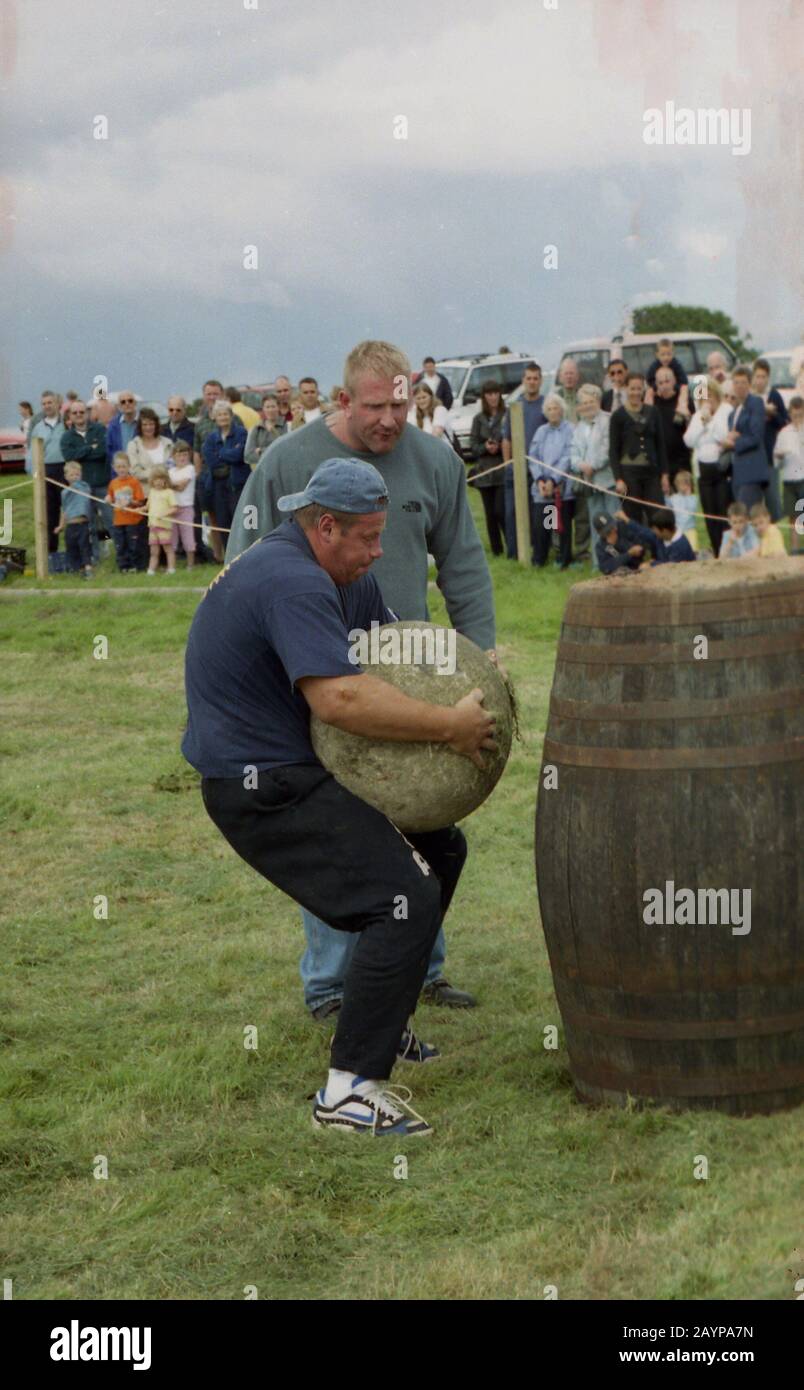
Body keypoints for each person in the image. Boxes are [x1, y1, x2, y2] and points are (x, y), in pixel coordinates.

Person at [184, 459, 496, 1136]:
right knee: (401, 898)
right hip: (259, 784)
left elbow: (393, 659)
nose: (380, 552)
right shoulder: (290, 578)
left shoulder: (342, 573)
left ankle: (383, 1025)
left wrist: (476, 673)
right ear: (325, 526)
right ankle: (348, 1096)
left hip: (300, 766)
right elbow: (342, 697)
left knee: (441, 848)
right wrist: (450, 726)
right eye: (369, 537)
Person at [226, 339, 497, 1020]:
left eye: (401, 405)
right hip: (319, 670)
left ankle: (419, 968)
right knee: (343, 821)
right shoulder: (290, 458)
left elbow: (463, 562)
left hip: (416, 674)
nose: (389, 420)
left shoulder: (434, 461)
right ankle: (331, 985)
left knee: (423, 812)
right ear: (343, 400)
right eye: (375, 406)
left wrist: (482, 651)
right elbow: (245, 556)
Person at [609, 372, 668, 526]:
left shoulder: (653, 412)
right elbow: (613, 451)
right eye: (632, 388)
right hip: (629, 475)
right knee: (632, 518)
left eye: (638, 389)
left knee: (658, 515)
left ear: (643, 390)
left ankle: (659, 549)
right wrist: (618, 479)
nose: (635, 392)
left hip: (651, 473)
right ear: (625, 389)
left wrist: (665, 474)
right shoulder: (618, 416)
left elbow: (660, 445)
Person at [501, 362, 545, 559]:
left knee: (544, 512)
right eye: (528, 378)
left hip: (540, 469)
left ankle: (544, 548)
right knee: (512, 512)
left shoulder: (546, 405)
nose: (532, 382)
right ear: (523, 381)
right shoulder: (515, 405)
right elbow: (507, 438)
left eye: (535, 378)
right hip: (516, 467)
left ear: (540, 381)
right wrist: (508, 464)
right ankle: (514, 553)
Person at [683, 376, 731, 556]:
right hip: (703, 472)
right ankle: (717, 551)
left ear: (717, 395)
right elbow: (689, 440)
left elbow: (723, 437)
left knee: (722, 512)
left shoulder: (726, 411)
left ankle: (727, 552)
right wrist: (702, 423)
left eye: (710, 396)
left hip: (722, 470)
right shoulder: (698, 415)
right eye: (703, 397)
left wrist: (710, 421)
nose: (707, 401)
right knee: (709, 514)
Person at [61, 400, 110, 563]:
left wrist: (81, 454)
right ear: (70, 416)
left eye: (81, 412)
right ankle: (95, 556)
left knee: (109, 521)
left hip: (102, 483)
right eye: (75, 413)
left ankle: (113, 551)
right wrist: (90, 448)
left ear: (87, 413)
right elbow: (69, 457)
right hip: (82, 489)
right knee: (89, 525)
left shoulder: (99, 429)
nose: (78, 415)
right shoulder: (67, 436)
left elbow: (103, 452)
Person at [529, 395, 575, 569]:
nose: (553, 412)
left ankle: (563, 559)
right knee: (546, 523)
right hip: (543, 487)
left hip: (562, 487)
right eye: (549, 409)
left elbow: (567, 457)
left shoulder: (569, 429)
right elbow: (533, 456)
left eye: (556, 408)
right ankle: (540, 559)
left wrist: (553, 480)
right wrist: (541, 479)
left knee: (562, 525)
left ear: (562, 410)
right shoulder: (541, 431)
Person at [468, 382, 506, 556]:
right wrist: (485, 446)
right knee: (490, 514)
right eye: (489, 394)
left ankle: (512, 544)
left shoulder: (506, 415)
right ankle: (497, 550)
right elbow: (473, 446)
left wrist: (499, 447)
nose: (492, 397)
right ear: (484, 397)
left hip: (502, 467)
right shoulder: (478, 419)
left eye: (495, 393)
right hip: (484, 470)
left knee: (501, 510)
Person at [724, 366, 770, 509]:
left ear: (750, 385)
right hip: (737, 472)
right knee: (741, 515)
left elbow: (756, 436)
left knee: (749, 513)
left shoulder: (755, 403)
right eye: (736, 382)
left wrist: (734, 442)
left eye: (743, 382)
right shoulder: (733, 412)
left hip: (752, 471)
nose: (739, 386)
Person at [27, 391, 66, 554]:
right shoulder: (37, 428)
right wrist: (33, 473)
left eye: (50, 403)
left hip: (65, 470)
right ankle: (52, 552)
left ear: (57, 404)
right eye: (44, 404)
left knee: (72, 510)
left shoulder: (66, 424)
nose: (47, 406)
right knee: (50, 513)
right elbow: (30, 453)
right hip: (46, 471)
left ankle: (78, 552)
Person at [201, 400, 248, 535]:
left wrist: (220, 453)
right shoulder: (211, 438)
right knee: (223, 522)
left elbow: (239, 455)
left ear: (231, 415)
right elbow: (211, 461)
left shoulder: (241, 432)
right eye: (219, 414)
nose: (223, 417)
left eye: (225, 414)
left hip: (237, 484)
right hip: (218, 486)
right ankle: (227, 555)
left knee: (241, 521)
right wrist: (230, 453)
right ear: (214, 417)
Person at [193, 379, 227, 561]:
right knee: (213, 518)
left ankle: (232, 553)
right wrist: (198, 474)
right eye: (209, 393)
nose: (212, 397)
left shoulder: (231, 417)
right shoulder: (200, 423)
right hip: (208, 477)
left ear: (221, 395)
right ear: (204, 396)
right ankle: (218, 556)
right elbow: (197, 451)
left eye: (215, 393)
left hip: (228, 475)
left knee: (228, 517)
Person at [751, 358, 788, 520]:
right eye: (757, 376)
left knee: (773, 500)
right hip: (752, 456)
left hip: (770, 454)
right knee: (755, 503)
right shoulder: (749, 397)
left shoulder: (774, 395)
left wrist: (772, 415)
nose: (760, 380)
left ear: (768, 377)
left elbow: (784, 422)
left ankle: (774, 535)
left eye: (763, 377)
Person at [105, 451, 147, 572]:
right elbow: (111, 497)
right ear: (114, 468)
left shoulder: (134, 482)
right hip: (118, 520)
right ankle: (123, 566)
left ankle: (134, 565)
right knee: (120, 544)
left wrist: (129, 502)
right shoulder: (113, 483)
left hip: (132, 520)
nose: (121, 469)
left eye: (124, 466)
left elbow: (140, 502)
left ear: (129, 466)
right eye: (118, 467)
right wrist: (108, 498)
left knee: (132, 544)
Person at [774, 394, 804, 554]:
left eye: (800, 415)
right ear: (789, 414)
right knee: (793, 517)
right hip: (789, 480)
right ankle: (794, 549)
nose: (797, 418)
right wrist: (779, 457)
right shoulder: (784, 433)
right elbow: (777, 460)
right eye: (794, 415)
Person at [652, 366, 691, 486]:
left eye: (667, 381)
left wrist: (687, 417)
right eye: (661, 382)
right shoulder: (653, 403)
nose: (664, 385)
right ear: (656, 384)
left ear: (674, 381)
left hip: (682, 461)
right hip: (662, 463)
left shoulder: (684, 400)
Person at [54, 461, 93, 578]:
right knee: (71, 548)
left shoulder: (84, 486)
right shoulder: (64, 493)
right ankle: (78, 570)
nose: (75, 477)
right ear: (66, 477)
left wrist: (76, 485)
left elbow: (87, 492)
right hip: (70, 526)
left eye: (77, 475)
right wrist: (61, 525)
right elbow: (63, 510)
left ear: (81, 475)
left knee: (84, 547)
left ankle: (88, 569)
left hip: (82, 524)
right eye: (72, 475)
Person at [593, 509, 656, 575]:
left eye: (612, 526)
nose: (612, 530)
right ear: (599, 533)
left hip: (637, 567)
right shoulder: (600, 546)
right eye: (607, 531)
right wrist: (628, 554)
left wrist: (619, 544)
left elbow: (641, 547)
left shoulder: (624, 527)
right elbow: (605, 567)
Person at [127, 407, 172, 494]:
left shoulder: (168, 443)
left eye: (151, 424)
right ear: (140, 426)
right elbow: (136, 473)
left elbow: (174, 468)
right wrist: (160, 472)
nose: (148, 427)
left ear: (156, 425)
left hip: (167, 494)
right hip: (144, 495)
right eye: (145, 424)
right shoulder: (133, 445)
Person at [169, 440, 196, 567]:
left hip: (186, 508)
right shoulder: (171, 471)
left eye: (185, 455)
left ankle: (190, 565)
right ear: (173, 456)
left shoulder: (190, 469)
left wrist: (169, 484)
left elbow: (181, 487)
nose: (182, 458)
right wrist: (172, 485)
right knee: (172, 538)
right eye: (179, 455)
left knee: (188, 537)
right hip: (172, 508)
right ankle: (172, 565)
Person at [145, 466, 178, 574]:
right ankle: (151, 570)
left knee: (167, 548)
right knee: (154, 550)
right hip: (153, 526)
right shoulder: (152, 492)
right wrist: (138, 509)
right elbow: (147, 507)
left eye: (161, 479)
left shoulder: (169, 492)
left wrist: (163, 514)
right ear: (152, 481)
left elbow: (174, 508)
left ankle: (171, 569)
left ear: (165, 480)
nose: (158, 482)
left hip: (164, 526)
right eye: (155, 479)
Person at [645, 338, 690, 412]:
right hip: (658, 388)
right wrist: (657, 387)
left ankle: (682, 408)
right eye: (663, 355)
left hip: (674, 388)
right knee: (649, 391)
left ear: (673, 353)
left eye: (669, 354)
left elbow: (684, 381)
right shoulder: (655, 365)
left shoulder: (676, 364)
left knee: (684, 389)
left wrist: (675, 388)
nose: (666, 358)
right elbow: (649, 379)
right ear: (657, 355)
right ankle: (648, 410)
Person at [245, 394, 285, 467]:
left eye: (273, 406)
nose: (270, 410)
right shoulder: (256, 429)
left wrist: (261, 451)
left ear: (278, 407)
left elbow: (285, 451)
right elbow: (248, 456)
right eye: (267, 407)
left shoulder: (287, 425)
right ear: (263, 409)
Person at [668, 470, 698, 551]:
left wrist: (688, 496)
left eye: (686, 484)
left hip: (690, 529)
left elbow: (692, 509)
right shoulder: (674, 498)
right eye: (681, 484)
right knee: (680, 549)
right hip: (678, 530)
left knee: (693, 549)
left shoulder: (693, 498)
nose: (684, 487)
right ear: (677, 485)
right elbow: (668, 507)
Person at [105, 391, 139, 458]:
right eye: (123, 402)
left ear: (135, 403)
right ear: (119, 406)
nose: (127, 404)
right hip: (120, 467)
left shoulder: (144, 423)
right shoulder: (113, 425)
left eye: (130, 401)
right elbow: (109, 449)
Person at [554, 358, 581, 423]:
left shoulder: (583, 397)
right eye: (566, 373)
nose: (569, 377)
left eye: (571, 373)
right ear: (560, 377)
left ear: (577, 376)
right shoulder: (554, 399)